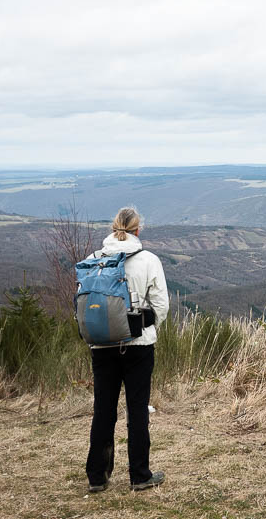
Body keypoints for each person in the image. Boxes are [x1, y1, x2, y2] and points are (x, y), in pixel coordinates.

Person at [85, 206, 169, 492]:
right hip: (138, 345)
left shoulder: (93, 259)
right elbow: (161, 305)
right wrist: (148, 326)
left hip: (102, 344)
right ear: (138, 229)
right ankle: (140, 476)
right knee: (137, 411)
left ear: (113, 228)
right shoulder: (148, 260)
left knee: (103, 410)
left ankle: (97, 476)